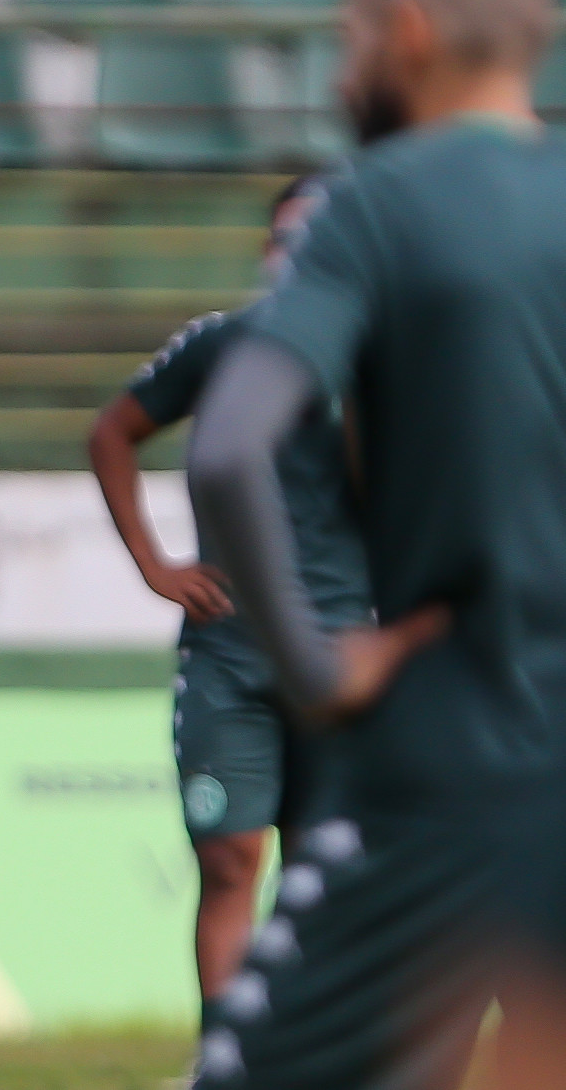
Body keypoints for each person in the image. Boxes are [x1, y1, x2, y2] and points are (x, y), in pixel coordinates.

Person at [185, 0, 566, 1089]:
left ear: (404, 32)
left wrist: (311, 666)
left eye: (351, 34)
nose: (344, 62)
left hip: (448, 754)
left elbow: (224, 449)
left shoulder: (369, 202)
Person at [87, 177, 370, 1030]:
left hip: (344, 650)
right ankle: (226, 1054)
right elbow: (113, 432)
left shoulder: (388, 359)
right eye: (286, 237)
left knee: (331, 871)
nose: (298, 254)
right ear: (264, 251)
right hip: (229, 649)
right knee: (231, 859)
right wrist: (154, 564)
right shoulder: (224, 345)